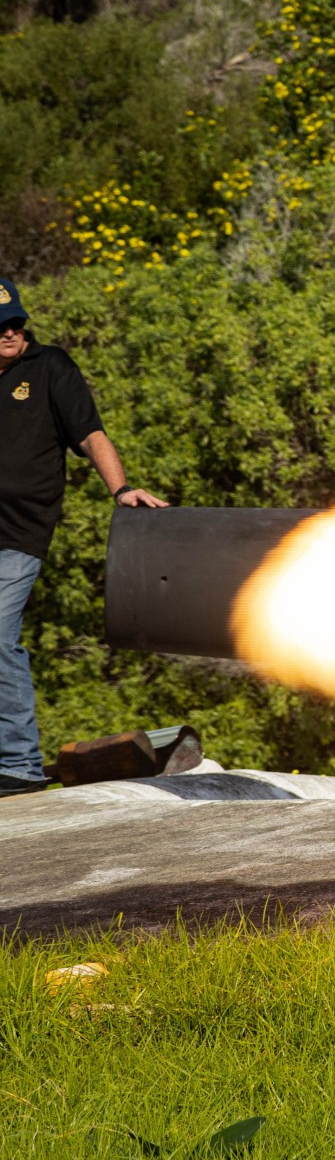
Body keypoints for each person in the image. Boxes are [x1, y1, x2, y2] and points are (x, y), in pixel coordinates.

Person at [0, 278, 167, 797]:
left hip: (18, 532)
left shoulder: (50, 368)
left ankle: (20, 766)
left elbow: (91, 434)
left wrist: (122, 490)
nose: (9, 334)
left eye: (15, 324)